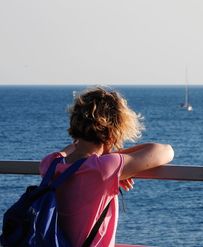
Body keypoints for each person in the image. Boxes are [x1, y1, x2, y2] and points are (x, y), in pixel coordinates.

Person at [39, 86, 174, 246]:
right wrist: (116, 163)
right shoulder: (103, 168)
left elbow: (68, 151)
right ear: (114, 131)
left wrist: (113, 166)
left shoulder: (49, 164)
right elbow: (166, 151)